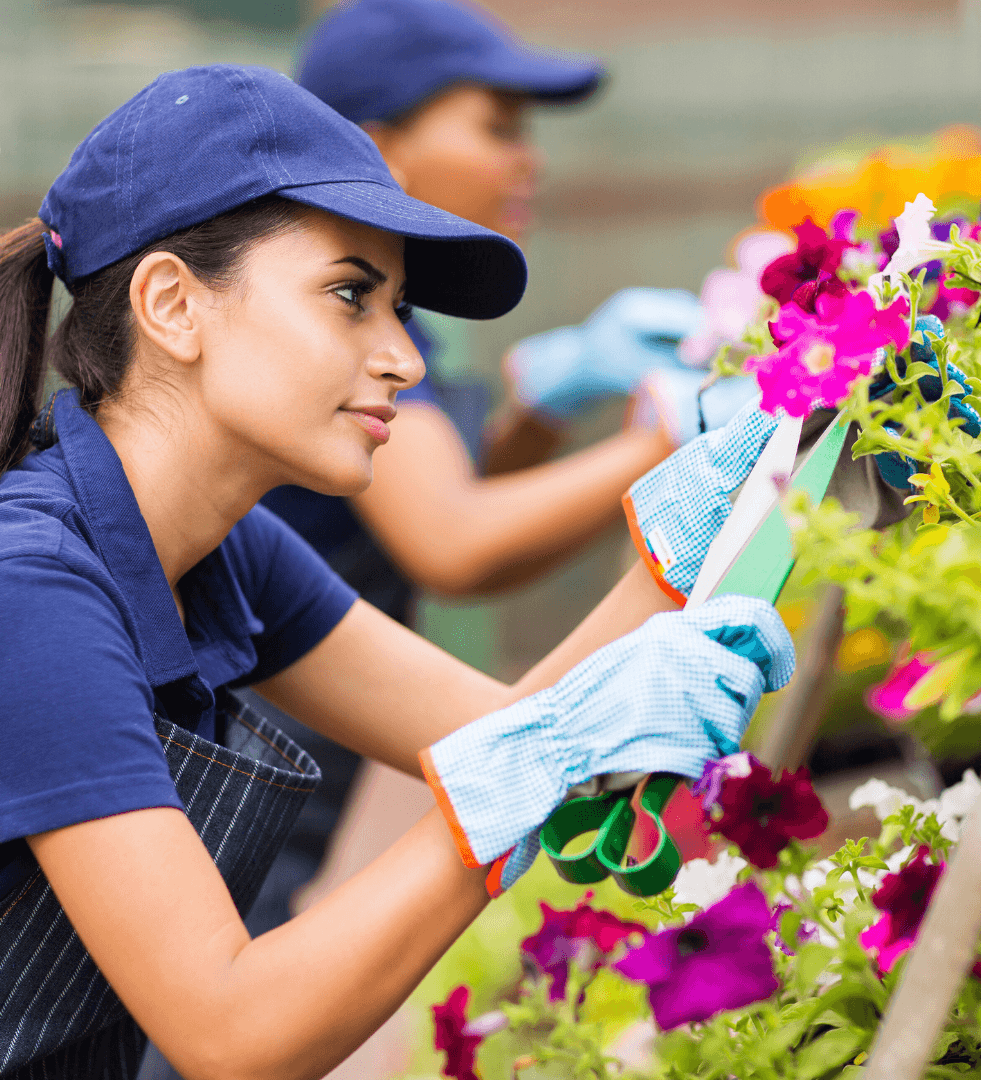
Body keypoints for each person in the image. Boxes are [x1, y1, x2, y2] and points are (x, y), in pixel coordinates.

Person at [0, 65, 793, 1079]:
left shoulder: (220, 551)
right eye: (350, 297)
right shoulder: (18, 593)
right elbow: (232, 1030)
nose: (405, 359)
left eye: (397, 308)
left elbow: (498, 733)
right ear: (172, 305)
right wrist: (538, 758)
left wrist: (692, 540)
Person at [249, 0, 755, 943]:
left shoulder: (386, 332)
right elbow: (453, 539)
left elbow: (448, 496)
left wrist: (541, 410)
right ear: (376, 144)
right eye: (498, 127)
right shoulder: (337, 343)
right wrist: (664, 446)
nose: (531, 160)